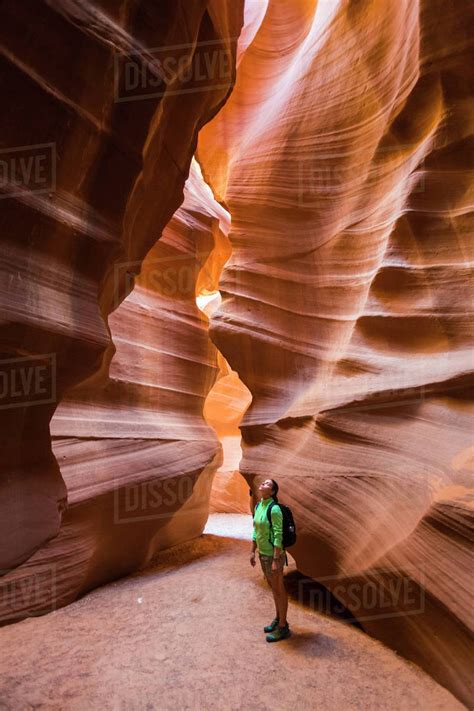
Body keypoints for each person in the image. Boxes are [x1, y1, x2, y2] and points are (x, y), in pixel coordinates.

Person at [250, 478, 291, 642]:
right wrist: (252, 551)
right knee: (274, 589)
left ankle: (283, 627)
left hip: (273, 556)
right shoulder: (259, 505)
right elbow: (255, 530)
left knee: (279, 590)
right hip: (263, 554)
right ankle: (278, 618)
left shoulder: (274, 509)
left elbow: (278, 535)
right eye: (263, 483)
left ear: (273, 492)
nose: (263, 484)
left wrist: (275, 559)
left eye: (267, 484)